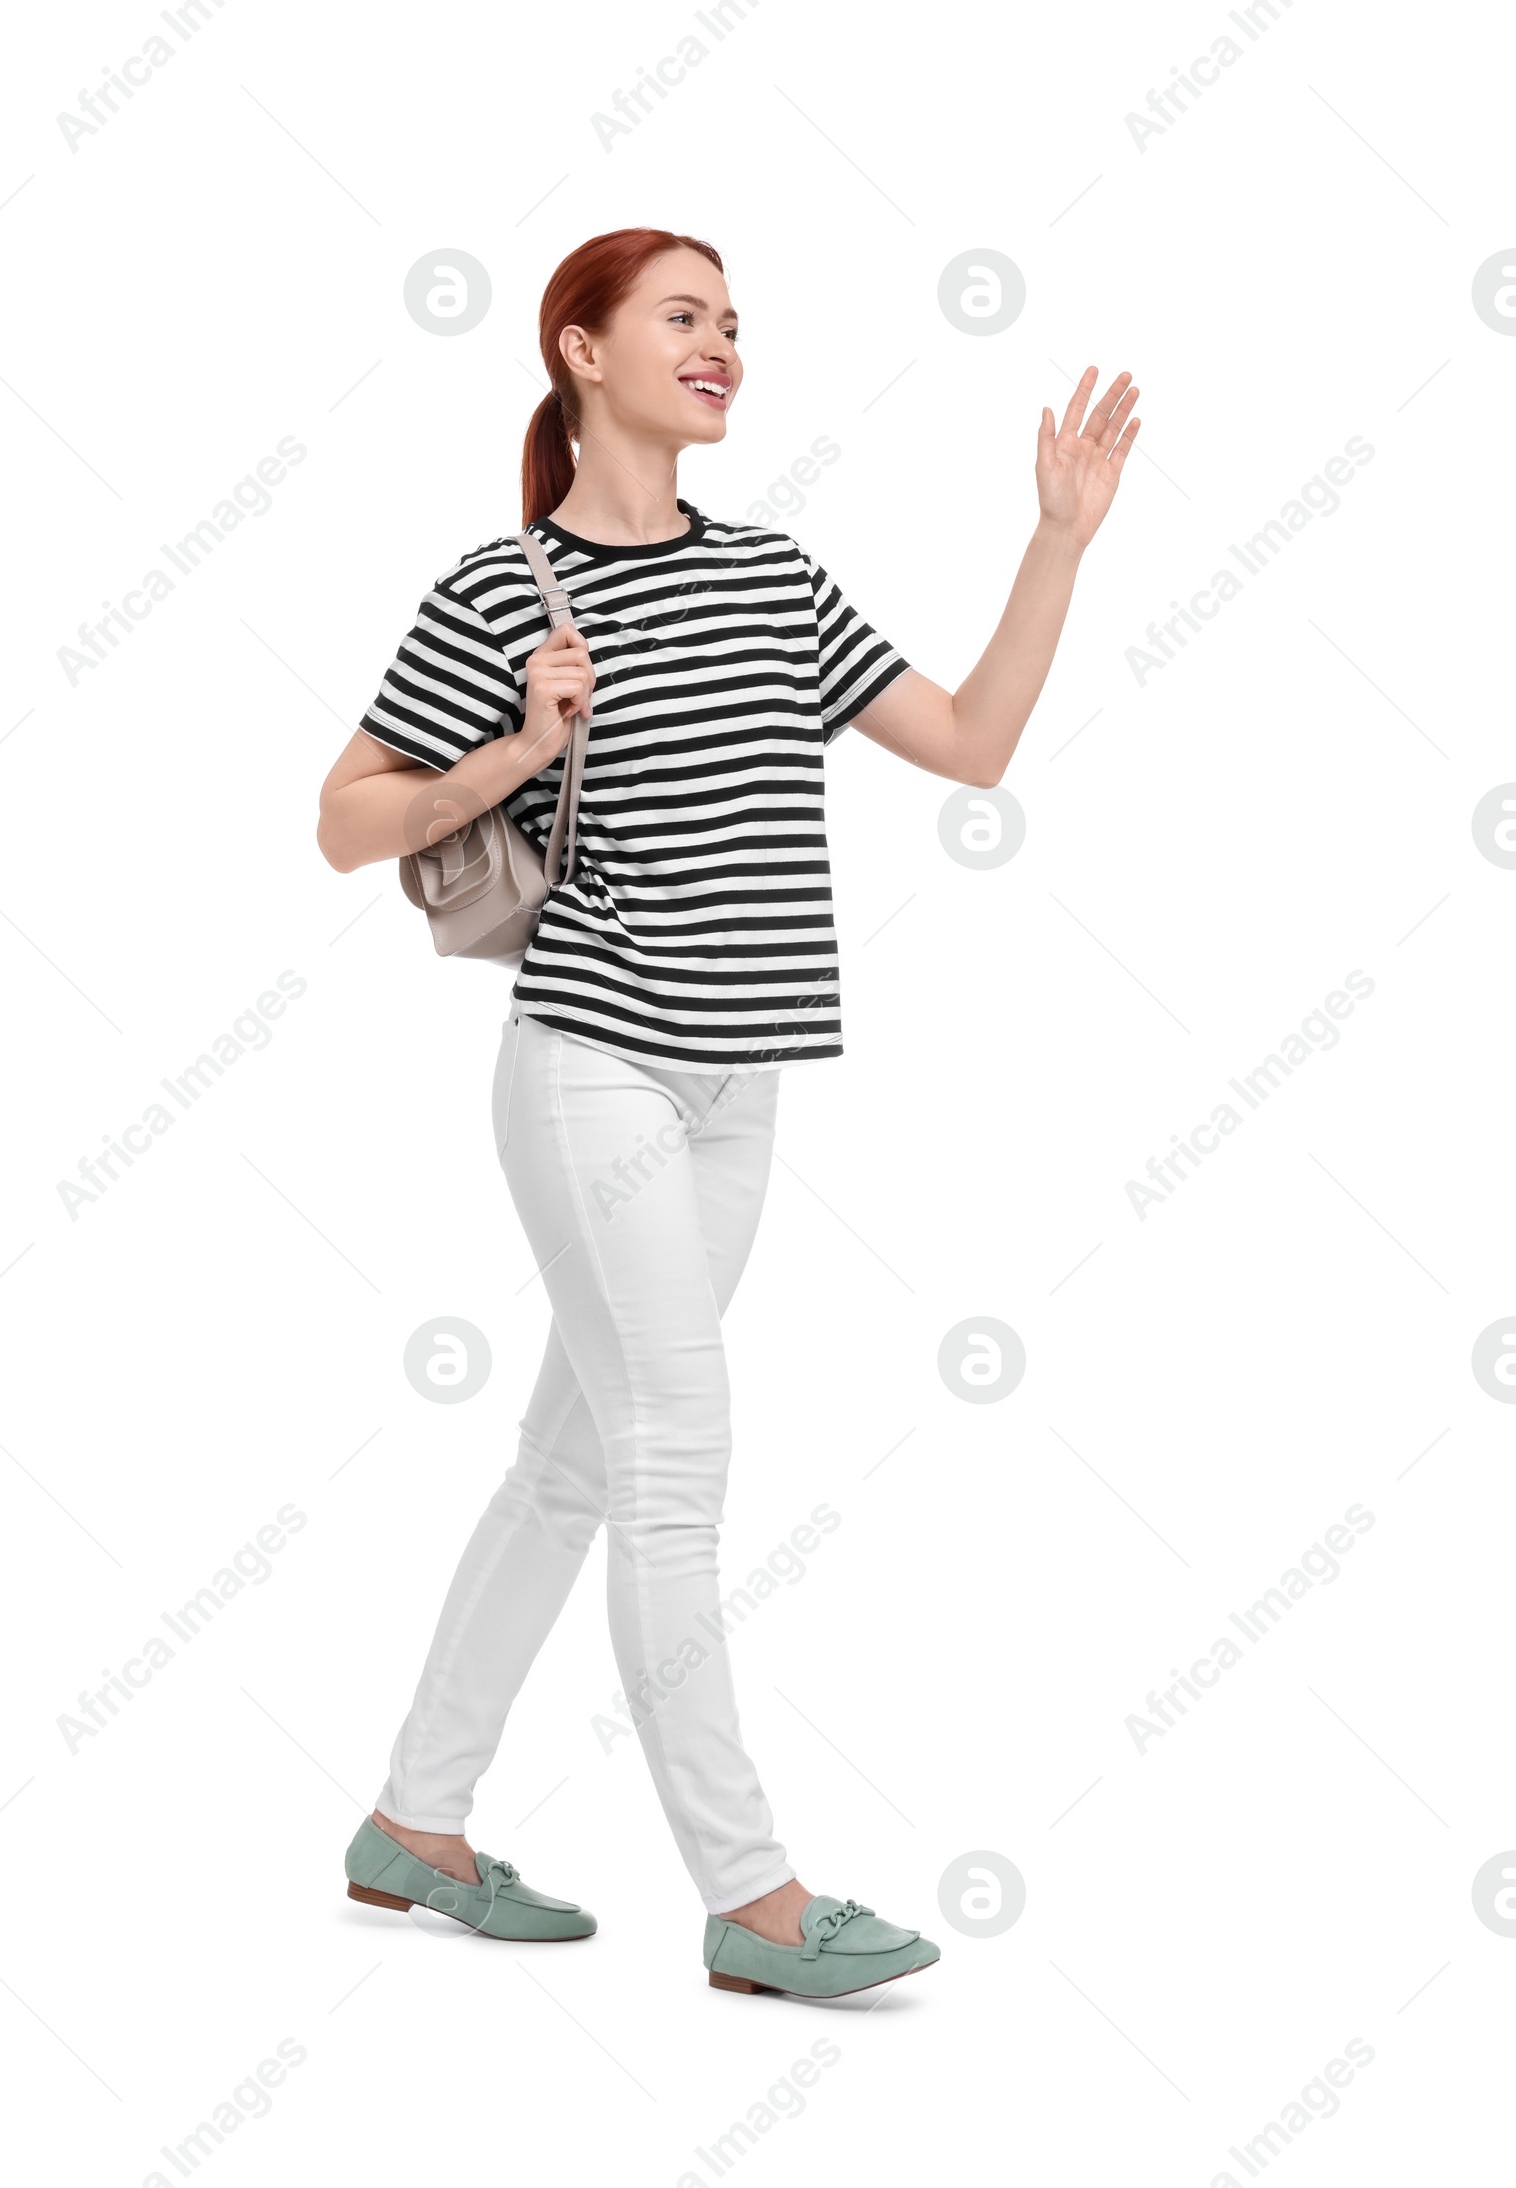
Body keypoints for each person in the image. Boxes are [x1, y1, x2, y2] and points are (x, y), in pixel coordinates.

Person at [316, 226, 1139, 1998]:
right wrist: (519, 752)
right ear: (581, 350)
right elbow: (343, 821)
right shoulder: (503, 588)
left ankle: (415, 1821)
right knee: (677, 1457)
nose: (722, 346)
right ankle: (757, 1900)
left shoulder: (777, 578)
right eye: (684, 318)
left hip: (740, 1084)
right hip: (591, 1057)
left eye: (735, 325)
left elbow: (976, 742)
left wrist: (1057, 542)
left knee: (575, 1465)